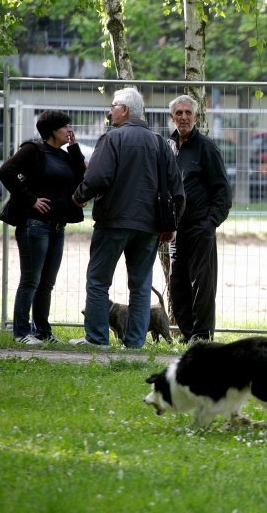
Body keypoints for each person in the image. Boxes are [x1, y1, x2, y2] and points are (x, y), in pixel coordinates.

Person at [70, 87, 184, 349]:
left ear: (124, 109)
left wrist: (78, 196)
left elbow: (97, 177)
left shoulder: (112, 139)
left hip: (114, 222)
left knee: (98, 281)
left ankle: (97, 339)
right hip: (150, 226)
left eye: (112, 106)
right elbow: (177, 190)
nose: (109, 112)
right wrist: (171, 224)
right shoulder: (160, 144)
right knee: (141, 285)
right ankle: (134, 343)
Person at [0, 111, 86, 345]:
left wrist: (75, 149)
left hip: (57, 226)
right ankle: (21, 332)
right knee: (31, 280)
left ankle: (42, 331)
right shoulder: (34, 150)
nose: (69, 129)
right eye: (65, 126)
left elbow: (82, 178)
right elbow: (6, 171)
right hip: (34, 225)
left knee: (47, 283)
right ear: (51, 130)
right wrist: (31, 199)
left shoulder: (66, 155)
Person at [167, 95, 232, 344]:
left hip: (200, 227)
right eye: (179, 113)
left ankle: (201, 335)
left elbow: (223, 193)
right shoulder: (168, 146)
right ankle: (186, 333)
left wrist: (209, 223)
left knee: (201, 284)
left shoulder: (206, 148)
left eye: (188, 113)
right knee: (177, 282)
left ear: (195, 116)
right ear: (172, 117)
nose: (183, 117)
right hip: (175, 230)